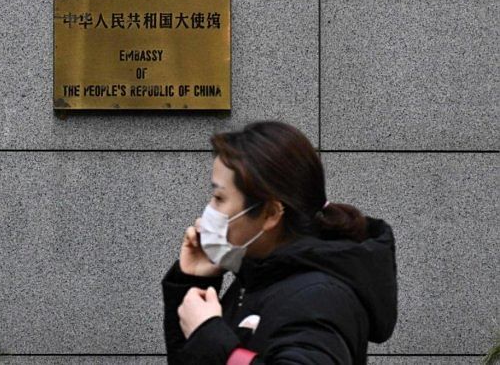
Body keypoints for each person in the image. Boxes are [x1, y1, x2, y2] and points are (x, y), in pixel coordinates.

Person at [161, 120, 397, 364]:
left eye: (219, 198)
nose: (210, 210)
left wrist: (211, 337)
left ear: (271, 213)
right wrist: (193, 282)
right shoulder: (258, 278)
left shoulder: (319, 298)